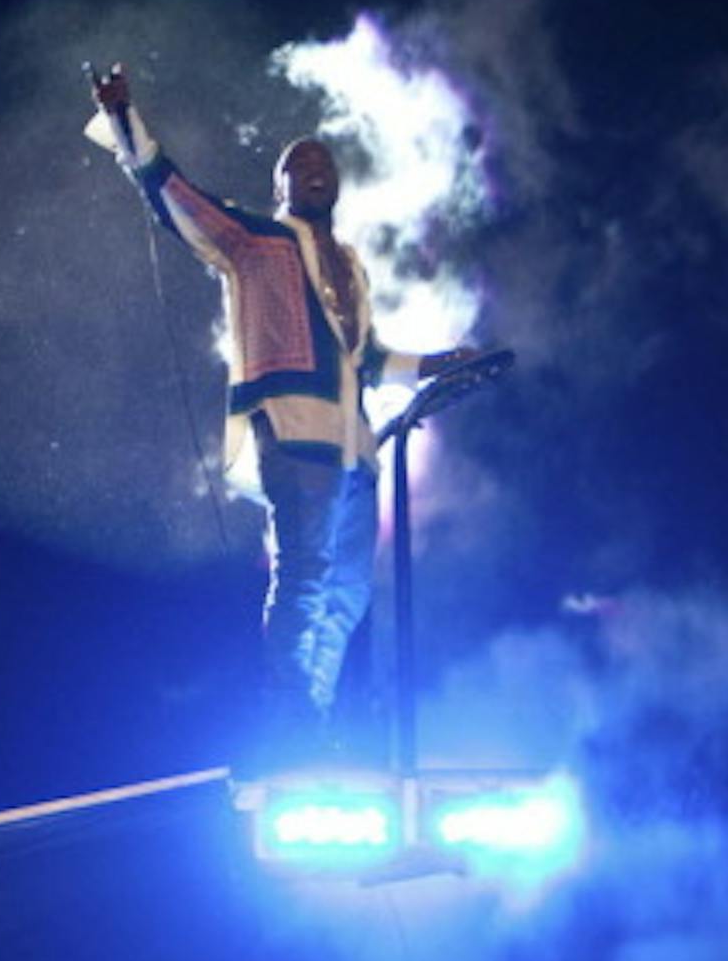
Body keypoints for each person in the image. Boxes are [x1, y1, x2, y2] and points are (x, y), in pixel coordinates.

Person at [85, 65, 477, 766]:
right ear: (281, 186)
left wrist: (437, 364)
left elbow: (368, 358)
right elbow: (176, 195)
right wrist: (123, 119)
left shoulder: (350, 265)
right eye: (301, 164)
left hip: (355, 447)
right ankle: (290, 724)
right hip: (293, 432)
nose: (317, 170)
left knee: (347, 593)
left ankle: (311, 722)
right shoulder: (256, 241)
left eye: (325, 163)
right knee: (304, 574)